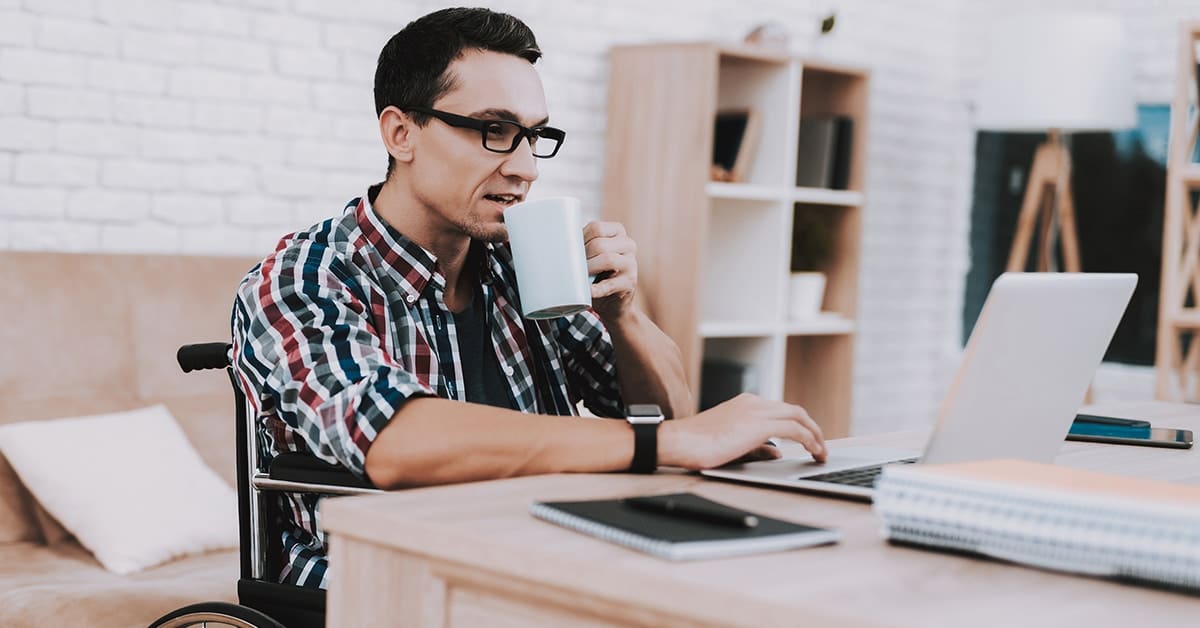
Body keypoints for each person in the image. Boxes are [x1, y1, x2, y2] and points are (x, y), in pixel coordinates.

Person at [231, 7, 826, 590]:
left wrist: (624, 315)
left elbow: (671, 415)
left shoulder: (523, 263)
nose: (525, 168)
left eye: (534, 136)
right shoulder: (303, 278)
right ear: (401, 132)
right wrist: (665, 443)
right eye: (495, 131)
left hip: (542, 560)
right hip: (388, 583)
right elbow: (393, 441)